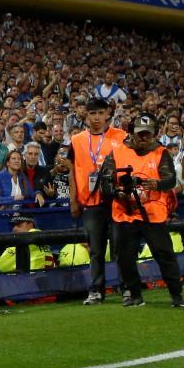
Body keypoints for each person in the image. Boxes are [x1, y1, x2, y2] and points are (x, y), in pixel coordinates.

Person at [98, 113, 184, 308]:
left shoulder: (161, 152)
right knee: (125, 256)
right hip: (124, 211)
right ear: (132, 134)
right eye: (140, 134)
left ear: (155, 135)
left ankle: (176, 295)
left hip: (152, 212)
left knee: (164, 254)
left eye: (148, 134)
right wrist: (117, 192)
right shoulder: (118, 151)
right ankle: (135, 294)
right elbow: (105, 181)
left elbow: (170, 180)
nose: (144, 138)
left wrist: (157, 184)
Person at [69, 97, 127, 305]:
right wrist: (73, 200)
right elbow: (71, 170)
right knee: (96, 249)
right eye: (92, 113)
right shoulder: (77, 140)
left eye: (100, 113)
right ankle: (96, 290)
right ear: (86, 115)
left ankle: (127, 288)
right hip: (91, 202)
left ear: (108, 114)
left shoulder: (121, 137)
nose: (96, 118)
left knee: (121, 246)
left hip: (117, 201)